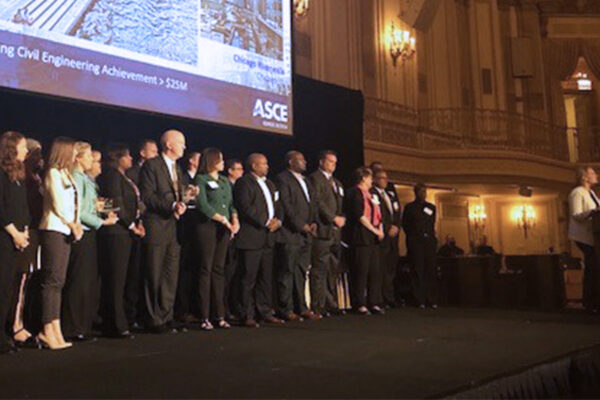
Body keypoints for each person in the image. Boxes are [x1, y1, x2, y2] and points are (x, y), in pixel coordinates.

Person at [62, 142, 118, 342]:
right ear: (78, 158)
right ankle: (72, 327)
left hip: (89, 232)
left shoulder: (86, 179)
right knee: (78, 281)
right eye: (89, 157)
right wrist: (102, 222)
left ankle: (81, 326)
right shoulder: (77, 178)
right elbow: (80, 211)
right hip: (82, 232)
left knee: (87, 281)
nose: (92, 161)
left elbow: (90, 206)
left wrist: (101, 212)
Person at [139, 130, 188, 333]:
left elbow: (179, 195)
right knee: (154, 273)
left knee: (170, 274)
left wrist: (185, 200)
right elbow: (148, 196)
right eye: (181, 143)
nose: (184, 147)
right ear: (169, 144)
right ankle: (152, 318)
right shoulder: (152, 166)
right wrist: (172, 205)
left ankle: (166, 315)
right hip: (156, 226)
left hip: (173, 228)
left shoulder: (177, 168)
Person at [38, 137, 83, 349]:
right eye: (73, 151)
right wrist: (71, 224)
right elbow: (57, 203)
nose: (76, 155)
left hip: (67, 229)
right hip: (54, 229)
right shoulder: (53, 173)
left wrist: (77, 223)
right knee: (52, 280)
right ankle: (47, 329)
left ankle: (56, 328)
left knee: (59, 281)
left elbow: (75, 203)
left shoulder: (67, 174)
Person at [97, 145, 145, 338]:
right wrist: (132, 225)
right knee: (115, 280)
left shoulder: (124, 177)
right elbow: (116, 205)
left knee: (125, 278)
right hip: (116, 233)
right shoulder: (111, 176)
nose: (131, 160)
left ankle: (122, 318)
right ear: (118, 158)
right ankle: (114, 324)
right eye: (128, 156)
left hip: (126, 233)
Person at [233, 153, 283, 327]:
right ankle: (246, 314)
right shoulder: (244, 183)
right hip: (251, 237)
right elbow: (246, 207)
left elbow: (278, 206)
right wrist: (265, 221)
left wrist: (278, 220)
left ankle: (265, 311)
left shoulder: (270, 184)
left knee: (265, 277)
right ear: (254, 166)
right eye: (264, 164)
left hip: (268, 238)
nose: (267, 166)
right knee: (248, 278)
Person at [194, 148, 240, 330]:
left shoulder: (224, 181)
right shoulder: (201, 180)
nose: (223, 162)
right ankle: (204, 316)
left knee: (219, 270)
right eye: (220, 159)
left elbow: (231, 204)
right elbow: (202, 205)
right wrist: (223, 220)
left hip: (225, 228)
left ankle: (219, 315)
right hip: (208, 226)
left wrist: (235, 220)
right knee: (206, 268)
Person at [275, 151, 319, 321]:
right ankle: (286, 309)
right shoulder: (283, 179)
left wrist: (313, 221)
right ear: (291, 162)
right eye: (301, 160)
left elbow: (313, 203)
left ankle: (302, 307)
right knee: (287, 272)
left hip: (306, 235)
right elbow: (286, 205)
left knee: (301, 272)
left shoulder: (307, 180)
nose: (305, 162)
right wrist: (300, 225)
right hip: (290, 234)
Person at [0, 131, 30, 354]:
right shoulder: (2, 173)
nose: (26, 150)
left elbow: (21, 207)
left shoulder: (18, 175)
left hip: (18, 238)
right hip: (5, 237)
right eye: (23, 146)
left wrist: (25, 231)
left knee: (10, 288)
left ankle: (5, 332)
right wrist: (14, 233)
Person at [12, 138, 43, 348]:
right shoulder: (23, 178)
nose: (41, 158)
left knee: (27, 278)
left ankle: (20, 321)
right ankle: (15, 324)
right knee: (20, 279)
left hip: (33, 231)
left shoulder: (34, 177)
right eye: (37, 153)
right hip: (25, 231)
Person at [309, 150, 346, 317]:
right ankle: (318, 305)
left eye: (335, 162)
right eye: (330, 161)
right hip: (323, 231)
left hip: (335, 233)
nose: (333, 165)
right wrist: (332, 218)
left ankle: (331, 303)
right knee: (319, 270)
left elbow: (340, 205)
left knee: (332, 270)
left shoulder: (337, 182)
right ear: (322, 161)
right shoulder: (315, 178)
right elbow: (318, 202)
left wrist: (341, 218)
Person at [344, 167, 384, 315]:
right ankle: (359, 302)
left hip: (373, 239)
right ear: (363, 178)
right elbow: (359, 215)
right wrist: (374, 230)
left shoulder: (372, 194)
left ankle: (373, 302)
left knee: (374, 271)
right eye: (369, 177)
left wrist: (380, 230)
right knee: (361, 271)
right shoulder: (354, 193)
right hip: (360, 236)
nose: (371, 180)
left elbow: (379, 214)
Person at [568, 165, 600, 313]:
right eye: (593, 173)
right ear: (584, 177)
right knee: (592, 268)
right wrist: (594, 212)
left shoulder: (591, 193)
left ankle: (593, 301)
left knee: (594, 268)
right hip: (584, 236)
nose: (596, 175)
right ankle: (590, 302)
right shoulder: (577, 193)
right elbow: (576, 214)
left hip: (594, 236)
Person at [175, 151, 201, 324]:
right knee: (183, 269)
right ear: (191, 160)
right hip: (183, 226)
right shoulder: (182, 177)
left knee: (196, 269)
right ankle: (181, 309)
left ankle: (195, 307)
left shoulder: (202, 179)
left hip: (199, 227)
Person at [402, 183, 438, 309]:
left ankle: (431, 298)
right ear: (415, 192)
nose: (423, 193)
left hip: (429, 243)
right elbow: (405, 225)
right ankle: (419, 299)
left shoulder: (431, 207)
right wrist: (413, 238)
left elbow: (432, 224)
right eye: (421, 191)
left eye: (424, 191)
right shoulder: (409, 208)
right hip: (415, 243)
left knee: (430, 270)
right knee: (417, 270)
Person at [371, 169, 401, 308]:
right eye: (381, 178)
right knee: (381, 269)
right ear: (375, 179)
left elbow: (397, 212)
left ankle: (390, 297)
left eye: (386, 178)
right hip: (382, 237)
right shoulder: (373, 193)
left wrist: (396, 226)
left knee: (391, 269)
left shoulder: (390, 194)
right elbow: (377, 214)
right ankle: (380, 298)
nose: (385, 180)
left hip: (393, 238)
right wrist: (388, 227)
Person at [224, 158, 244, 320]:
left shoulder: (241, 186)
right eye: (238, 169)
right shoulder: (226, 186)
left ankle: (235, 305)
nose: (241, 172)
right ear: (230, 171)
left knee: (238, 273)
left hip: (241, 235)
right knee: (227, 272)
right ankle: (224, 308)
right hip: (227, 233)